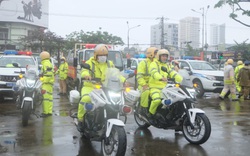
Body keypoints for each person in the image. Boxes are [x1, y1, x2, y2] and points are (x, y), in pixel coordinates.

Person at [77, 44, 126, 131]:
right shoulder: (89, 63)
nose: (103, 57)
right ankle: (80, 120)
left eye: (104, 55)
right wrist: (87, 76)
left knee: (113, 102)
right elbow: (84, 71)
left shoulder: (109, 64)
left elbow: (116, 74)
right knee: (85, 99)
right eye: (100, 55)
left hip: (105, 88)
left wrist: (124, 81)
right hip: (90, 87)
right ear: (96, 55)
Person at [148, 49, 183, 123]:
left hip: (165, 87)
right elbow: (154, 72)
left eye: (166, 56)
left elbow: (172, 72)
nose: (164, 58)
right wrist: (160, 78)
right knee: (157, 100)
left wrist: (179, 78)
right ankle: (150, 115)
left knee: (175, 100)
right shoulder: (154, 64)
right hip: (155, 87)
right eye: (163, 56)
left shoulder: (167, 65)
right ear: (159, 56)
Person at [136, 47, 158, 115]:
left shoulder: (157, 63)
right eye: (156, 53)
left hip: (155, 85)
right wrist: (144, 84)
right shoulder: (143, 63)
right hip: (144, 85)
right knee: (146, 91)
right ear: (151, 54)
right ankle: (143, 109)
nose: (157, 55)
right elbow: (139, 76)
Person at [40, 51, 55, 117]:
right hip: (49, 84)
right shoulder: (49, 63)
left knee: (45, 98)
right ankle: (49, 111)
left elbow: (48, 74)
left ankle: (45, 112)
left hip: (46, 84)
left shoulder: (45, 63)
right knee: (49, 98)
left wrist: (42, 80)